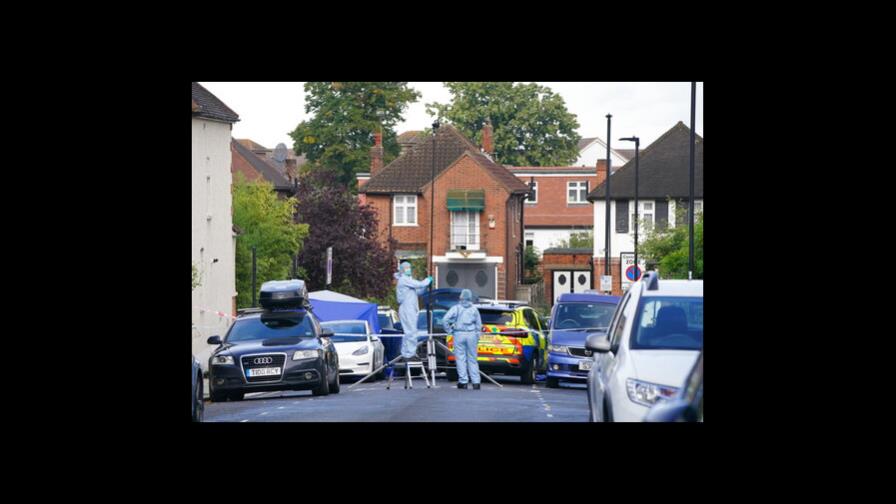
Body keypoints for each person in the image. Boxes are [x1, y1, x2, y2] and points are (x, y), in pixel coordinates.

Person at [442, 289, 482, 390]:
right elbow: (478, 325)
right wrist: (477, 336)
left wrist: (449, 330)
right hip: (472, 334)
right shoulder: (474, 309)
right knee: (472, 359)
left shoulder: (456, 308)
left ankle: (463, 381)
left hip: (459, 334)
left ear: (461, 297)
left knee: (460, 359)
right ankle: (476, 382)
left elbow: (445, 319)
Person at [394, 261, 433, 360]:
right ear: (403, 270)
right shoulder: (403, 279)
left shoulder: (408, 281)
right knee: (411, 332)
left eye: (410, 267)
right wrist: (427, 280)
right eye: (407, 268)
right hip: (406, 308)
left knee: (409, 332)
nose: (409, 269)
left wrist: (425, 286)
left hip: (410, 308)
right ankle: (409, 354)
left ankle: (406, 352)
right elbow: (419, 284)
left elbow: (418, 291)